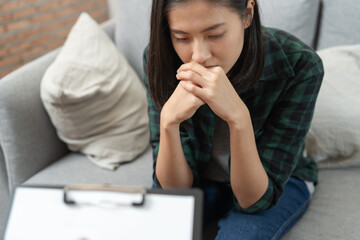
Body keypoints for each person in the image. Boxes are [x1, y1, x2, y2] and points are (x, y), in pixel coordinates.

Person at [142, 0, 324, 239]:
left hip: (275, 181)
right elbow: (175, 193)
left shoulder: (299, 64)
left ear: (247, 14)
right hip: (202, 176)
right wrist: (168, 122)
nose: (199, 56)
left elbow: (254, 201)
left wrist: (238, 118)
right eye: (182, 38)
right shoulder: (161, 60)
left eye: (215, 35)